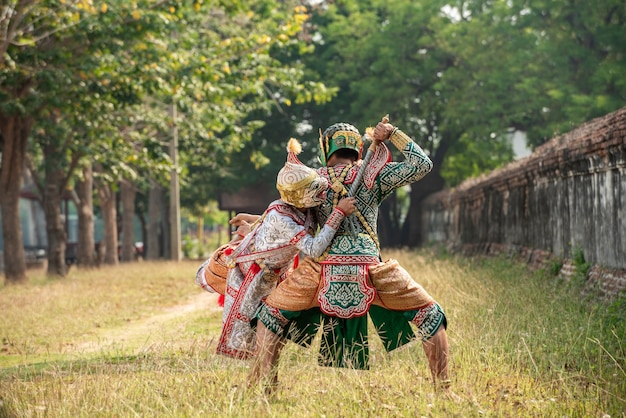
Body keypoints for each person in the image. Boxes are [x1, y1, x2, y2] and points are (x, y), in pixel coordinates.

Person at [250, 118, 454, 395]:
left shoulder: (314, 180)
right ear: (358, 148)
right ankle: (444, 389)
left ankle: (266, 389)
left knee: (270, 316)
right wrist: (394, 134)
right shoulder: (375, 175)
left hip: (321, 268)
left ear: (326, 148)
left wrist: (253, 224)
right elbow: (423, 165)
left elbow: (286, 215)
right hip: (370, 266)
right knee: (431, 316)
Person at [196, 138, 356, 360]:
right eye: (313, 189)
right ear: (297, 196)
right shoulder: (283, 215)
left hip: (278, 273)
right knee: (262, 331)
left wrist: (253, 223)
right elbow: (314, 248)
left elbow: (269, 221)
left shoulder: (300, 206)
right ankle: (259, 378)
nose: (321, 193)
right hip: (256, 276)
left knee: (277, 330)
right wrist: (338, 213)